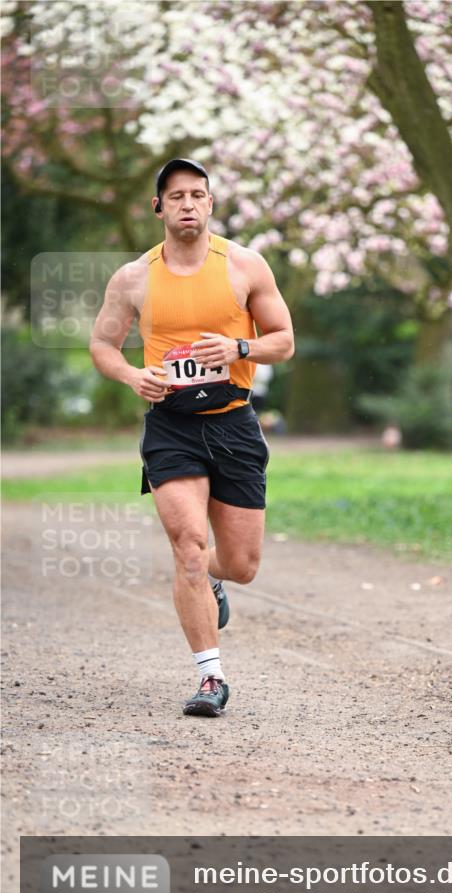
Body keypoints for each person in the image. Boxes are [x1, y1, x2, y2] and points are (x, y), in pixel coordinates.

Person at [90, 158, 295, 718]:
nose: (186, 204)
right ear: (158, 207)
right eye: (175, 195)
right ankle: (211, 678)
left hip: (232, 421)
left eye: (197, 194)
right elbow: (103, 345)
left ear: (210, 205)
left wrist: (239, 349)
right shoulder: (134, 277)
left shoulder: (245, 266)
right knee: (187, 547)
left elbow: (284, 340)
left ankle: (212, 578)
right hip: (171, 426)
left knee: (241, 563)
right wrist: (133, 375)